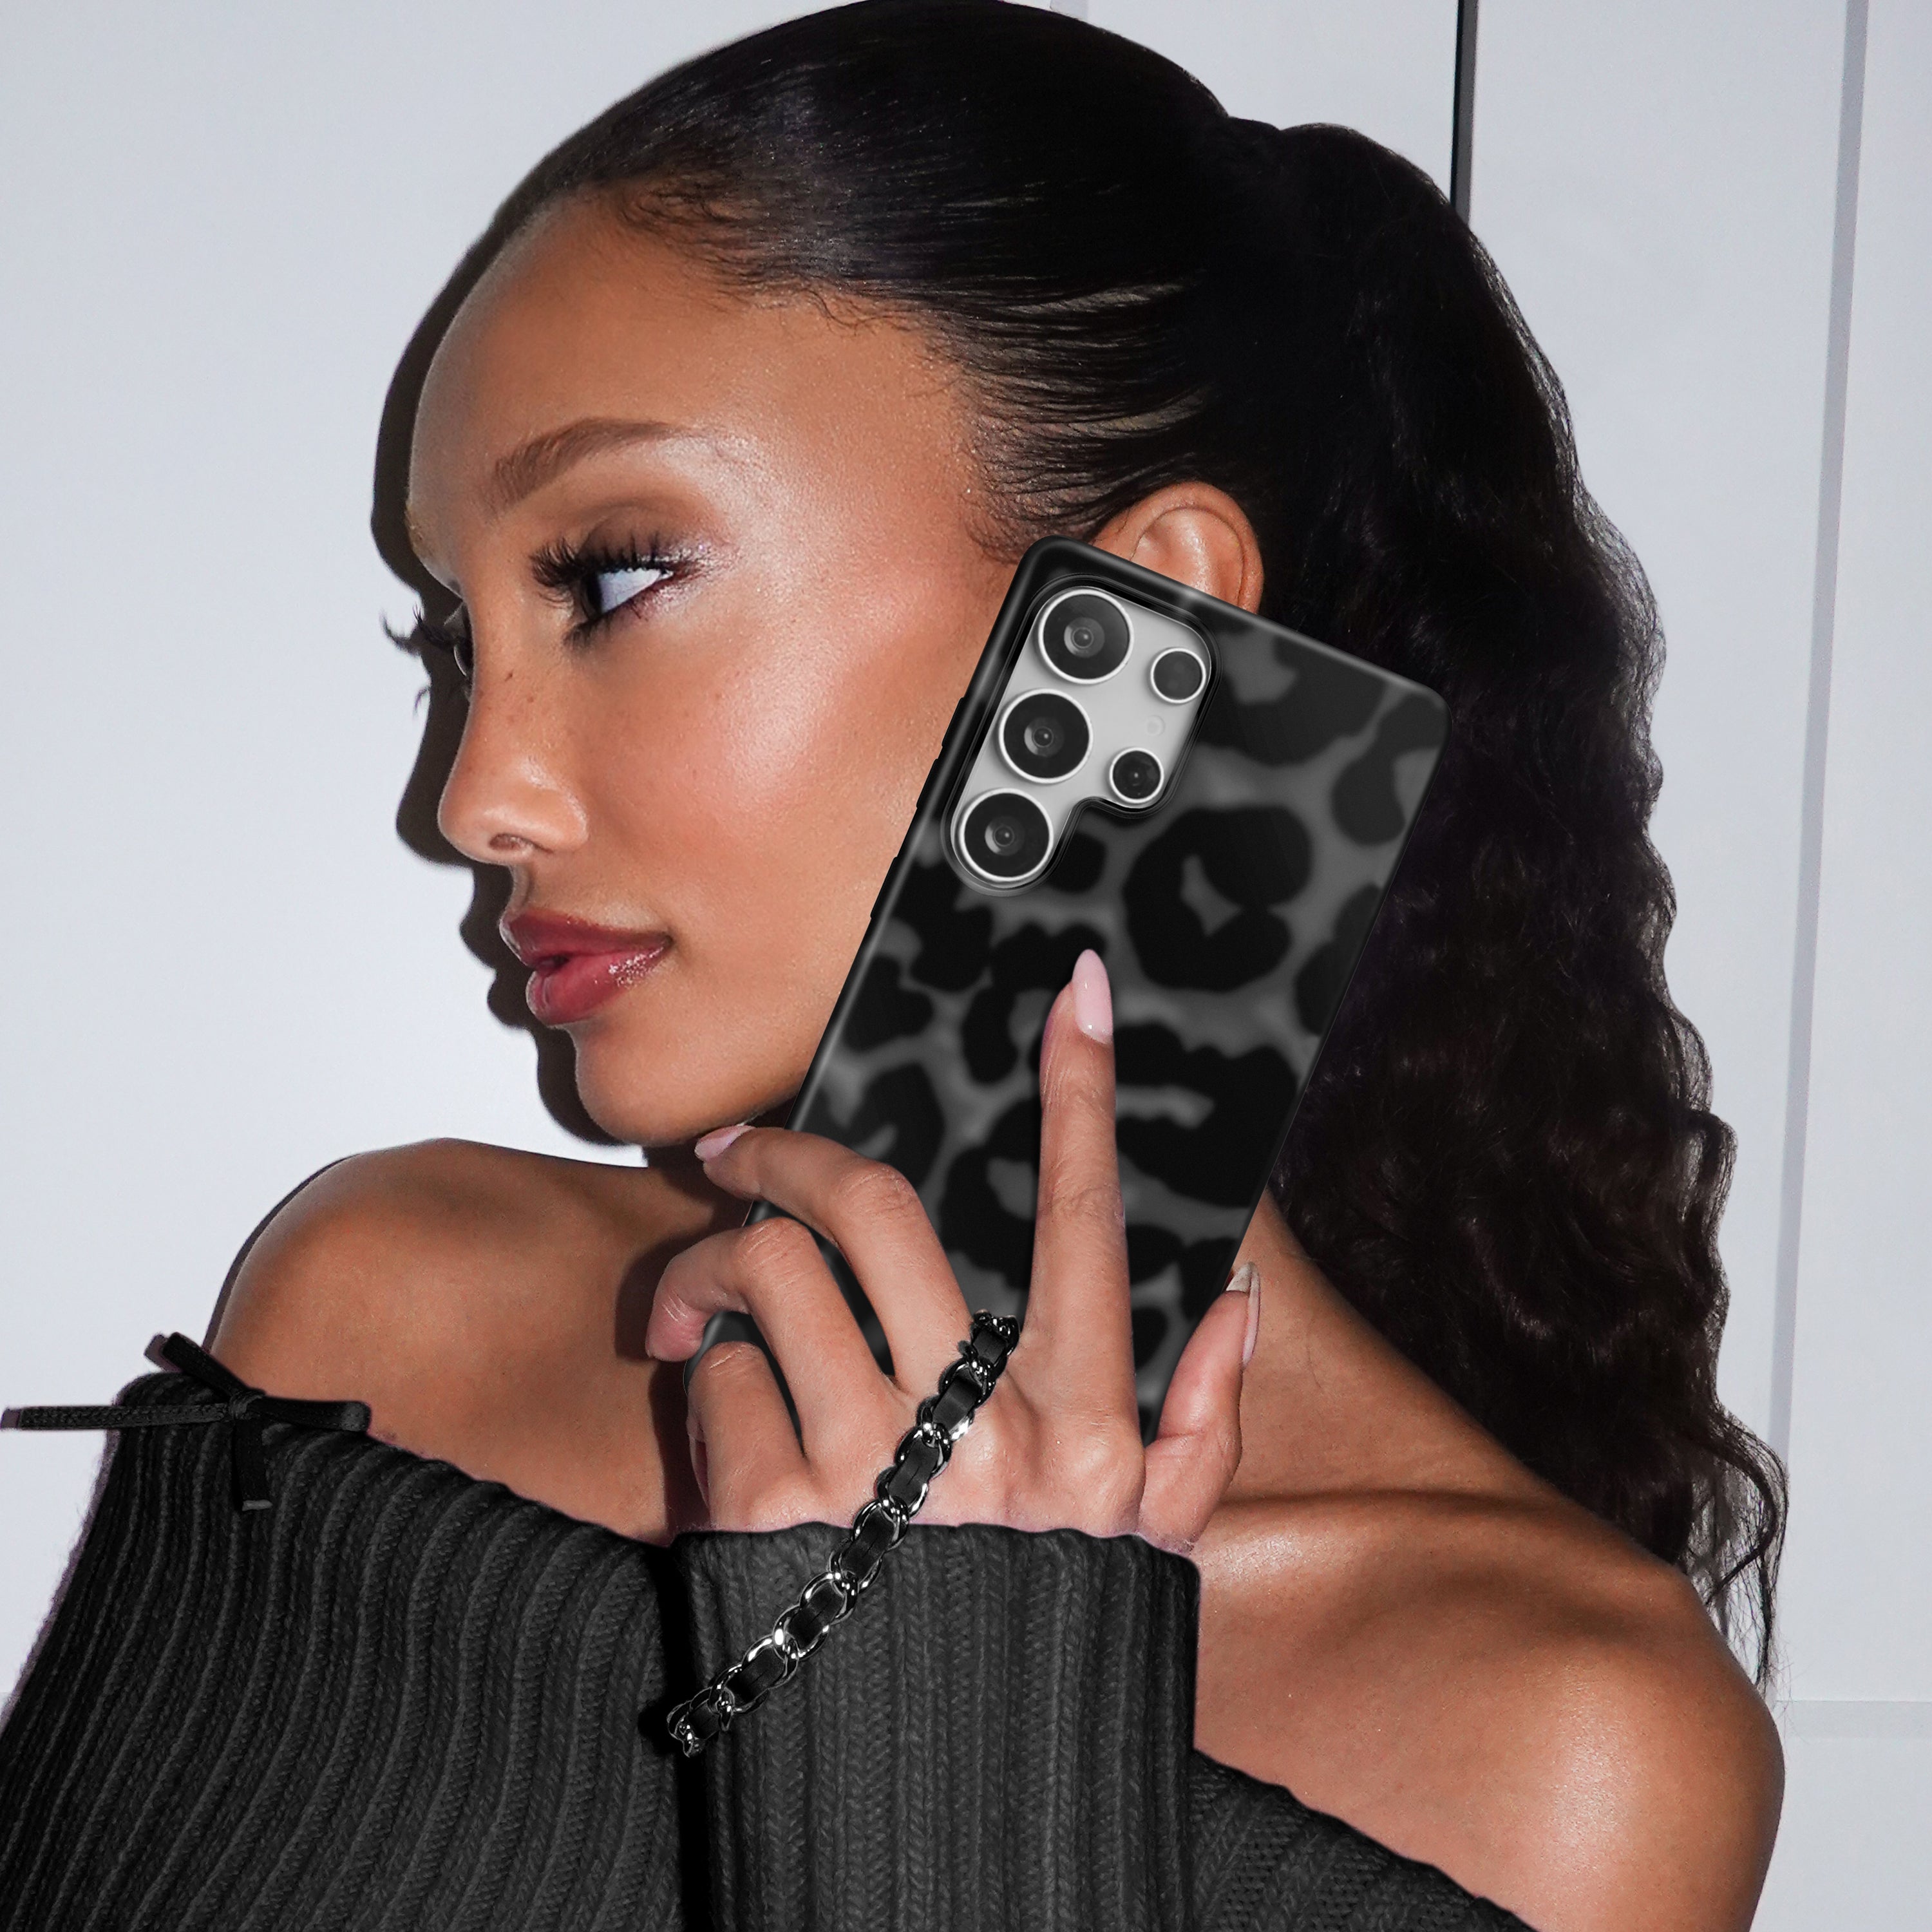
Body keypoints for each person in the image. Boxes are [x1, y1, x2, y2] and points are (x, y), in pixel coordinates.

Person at [0, 5, 1784, 1929]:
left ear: (1149, 616)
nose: (475, 797)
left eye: (612, 576)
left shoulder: (1557, 1742)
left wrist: (961, 1683)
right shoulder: (379, 1315)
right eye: (456, 641)